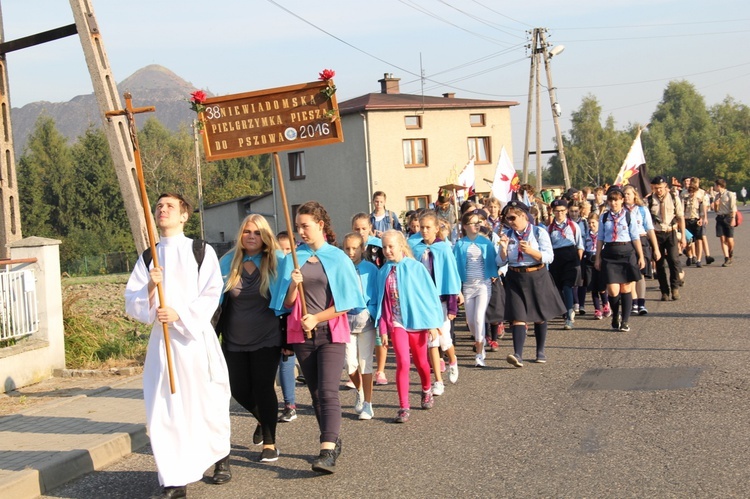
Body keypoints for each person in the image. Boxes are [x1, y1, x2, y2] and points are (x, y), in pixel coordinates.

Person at [125, 193, 230, 498]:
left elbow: (212, 292)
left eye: (170, 206)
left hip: (194, 340)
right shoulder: (149, 257)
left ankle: (219, 455)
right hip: (163, 344)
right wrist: (149, 285)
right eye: (159, 206)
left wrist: (180, 314)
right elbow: (132, 303)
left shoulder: (200, 250)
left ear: (184, 216)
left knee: (206, 403)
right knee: (165, 409)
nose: (162, 210)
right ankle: (174, 478)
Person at [272, 201, 366, 474]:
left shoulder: (338, 258)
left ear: (320, 225)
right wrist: (292, 284)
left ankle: (326, 449)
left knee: (327, 390)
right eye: (298, 226)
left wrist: (317, 317)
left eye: (306, 226)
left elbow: (348, 302)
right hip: (301, 333)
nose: (301, 231)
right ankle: (332, 438)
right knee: (315, 393)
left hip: (331, 331)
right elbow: (286, 303)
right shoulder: (294, 258)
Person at [218, 214, 285, 464]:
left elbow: (289, 295)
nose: (251, 237)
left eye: (257, 233)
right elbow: (213, 298)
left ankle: (270, 442)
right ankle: (263, 418)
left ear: (265, 236)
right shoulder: (228, 261)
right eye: (247, 232)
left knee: (263, 387)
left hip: (267, 338)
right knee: (238, 389)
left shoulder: (277, 261)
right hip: (234, 339)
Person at [375, 230, 444, 423]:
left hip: (418, 322)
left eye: (391, 246)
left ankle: (426, 389)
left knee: (422, 362)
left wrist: (432, 324)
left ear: (401, 246)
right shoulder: (384, 272)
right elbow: (382, 302)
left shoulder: (416, 267)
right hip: (397, 323)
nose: (387, 251)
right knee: (403, 362)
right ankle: (403, 406)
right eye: (384, 247)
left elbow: (429, 296)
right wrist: (383, 328)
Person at [497, 200, 565, 367]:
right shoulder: (508, 235)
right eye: (507, 219)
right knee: (517, 317)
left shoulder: (538, 232)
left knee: (540, 315)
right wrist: (503, 249)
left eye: (512, 218)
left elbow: (549, 257)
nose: (509, 222)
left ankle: (540, 350)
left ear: (523, 216)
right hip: (515, 277)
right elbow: (499, 262)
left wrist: (531, 252)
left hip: (537, 276)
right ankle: (518, 355)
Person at [410, 210, 462, 394]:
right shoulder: (415, 247)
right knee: (432, 341)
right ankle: (438, 381)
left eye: (428, 227)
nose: (424, 231)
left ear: (436, 228)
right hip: (424, 302)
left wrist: (452, 305)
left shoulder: (443, 248)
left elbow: (451, 276)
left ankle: (452, 359)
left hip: (441, 302)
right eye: (421, 227)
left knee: (444, 340)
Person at [595, 187, 645, 332]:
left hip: (626, 253)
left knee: (626, 288)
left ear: (622, 200)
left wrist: (640, 256)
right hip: (610, 254)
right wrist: (597, 258)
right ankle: (615, 314)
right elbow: (600, 239)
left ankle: (625, 320)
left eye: (616, 200)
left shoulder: (628, 216)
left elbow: (635, 237)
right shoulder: (604, 217)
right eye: (611, 200)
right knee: (612, 289)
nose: (613, 203)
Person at [453, 209, 498, 367]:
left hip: (483, 284)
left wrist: (497, 271)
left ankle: (479, 353)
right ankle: (481, 339)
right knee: (471, 322)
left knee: (479, 318)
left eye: (478, 223)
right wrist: (457, 289)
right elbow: (455, 267)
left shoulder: (485, 242)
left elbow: (495, 259)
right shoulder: (459, 244)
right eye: (472, 223)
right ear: (464, 226)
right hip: (467, 286)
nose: (476, 226)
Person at [342, 232, 379, 420]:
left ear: (362, 249)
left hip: (365, 321)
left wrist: (371, 312)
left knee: (365, 362)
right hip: (345, 320)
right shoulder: (339, 268)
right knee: (349, 363)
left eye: (355, 248)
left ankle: (368, 404)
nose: (351, 252)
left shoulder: (371, 269)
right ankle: (359, 390)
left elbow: (377, 293)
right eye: (347, 248)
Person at [350, 213, 388, 385]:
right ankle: (357, 374)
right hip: (357, 304)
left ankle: (380, 369)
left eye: (364, 228)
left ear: (371, 229)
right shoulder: (350, 247)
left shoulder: (378, 247)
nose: (360, 231)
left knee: (379, 337)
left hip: (377, 292)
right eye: (357, 229)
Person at [645, 175, 687, 301]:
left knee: (674, 260)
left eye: (661, 188)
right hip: (657, 234)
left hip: (671, 232)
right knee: (659, 263)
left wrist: (683, 237)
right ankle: (664, 291)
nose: (659, 190)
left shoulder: (674, 198)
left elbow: (680, 217)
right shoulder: (650, 201)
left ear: (666, 187)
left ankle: (674, 288)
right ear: (653, 188)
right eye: (656, 188)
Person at [623, 185, 661, 315]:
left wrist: (656, 248)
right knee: (631, 274)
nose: (626, 196)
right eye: (624, 194)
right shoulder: (621, 211)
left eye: (629, 193)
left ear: (634, 195)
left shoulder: (642, 210)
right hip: (627, 242)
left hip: (641, 240)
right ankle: (633, 302)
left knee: (640, 273)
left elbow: (650, 229)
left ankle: (641, 303)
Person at [547, 199, 584, 330]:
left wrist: (578, 262)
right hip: (556, 257)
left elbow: (580, 245)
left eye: (562, 211)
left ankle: (569, 314)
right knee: (558, 287)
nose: (560, 214)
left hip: (570, 256)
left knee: (568, 286)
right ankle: (564, 309)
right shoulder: (550, 228)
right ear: (553, 212)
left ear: (566, 211)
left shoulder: (573, 226)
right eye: (557, 211)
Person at [275, 231, 298, 423]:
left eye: (288, 249)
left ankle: (290, 404)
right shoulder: (273, 269)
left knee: (287, 362)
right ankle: (286, 404)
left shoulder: (298, 269)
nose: (284, 254)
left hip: (292, 320)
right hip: (275, 320)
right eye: (281, 249)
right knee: (281, 365)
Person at [711, 178, 738, 267]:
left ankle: (731, 252)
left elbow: (733, 207)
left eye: (715, 186)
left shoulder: (729, 194)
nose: (714, 188)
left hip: (728, 217)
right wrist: (716, 205)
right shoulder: (717, 196)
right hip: (719, 218)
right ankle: (726, 258)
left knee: (729, 240)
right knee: (722, 239)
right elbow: (716, 210)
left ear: (719, 186)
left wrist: (733, 218)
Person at [682, 183, 708, 267]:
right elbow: (682, 212)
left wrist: (701, 219)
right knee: (689, 241)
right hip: (687, 221)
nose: (691, 194)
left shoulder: (699, 200)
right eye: (690, 192)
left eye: (693, 192)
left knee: (699, 240)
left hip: (696, 221)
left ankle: (699, 260)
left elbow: (702, 211)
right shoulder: (685, 200)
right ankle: (690, 256)